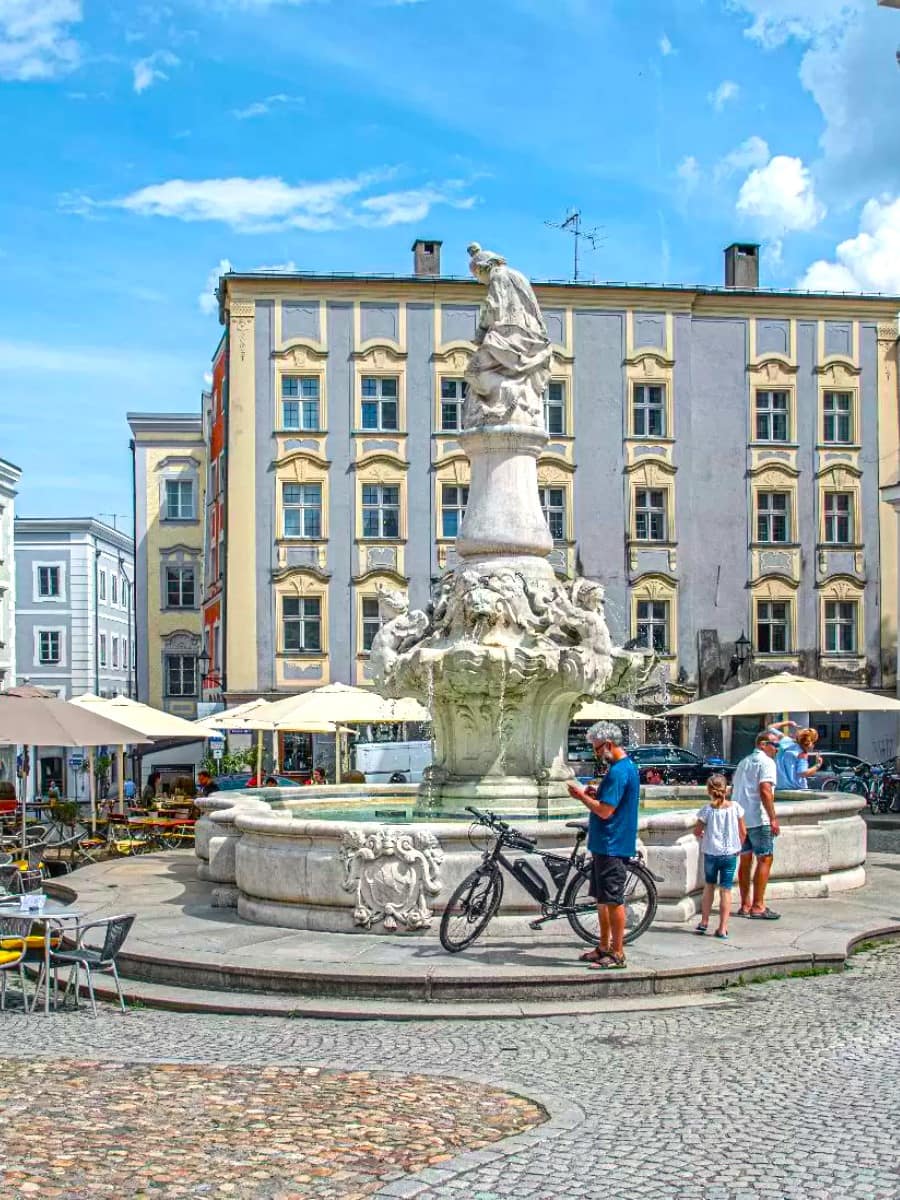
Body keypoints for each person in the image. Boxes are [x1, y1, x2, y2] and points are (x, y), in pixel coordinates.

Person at [566, 721, 641, 970]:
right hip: (604, 844)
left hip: (613, 844)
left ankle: (617, 953)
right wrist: (596, 792)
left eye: (597, 749)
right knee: (601, 899)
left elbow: (606, 811)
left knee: (613, 900)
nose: (596, 754)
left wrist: (582, 797)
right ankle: (603, 946)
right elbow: (610, 799)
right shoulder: (620, 769)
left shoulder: (620, 770)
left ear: (608, 745)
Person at [733, 731, 781, 920]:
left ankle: (745, 905)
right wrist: (773, 818)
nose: (777, 749)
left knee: (745, 861)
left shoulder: (743, 762)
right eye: (774, 745)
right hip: (759, 818)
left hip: (741, 819)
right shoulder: (767, 762)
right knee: (765, 858)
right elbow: (765, 789)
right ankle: (758, 906)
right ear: (762, 744)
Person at [693, 774, 747, 939]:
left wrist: (704, 836)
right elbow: (743, 832)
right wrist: (738, 846)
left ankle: (704, 921)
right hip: (730, 853)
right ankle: (723, 928)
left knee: (709, 886)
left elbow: (697, 831)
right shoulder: (736, 807)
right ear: (726, 790)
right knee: (726, 890)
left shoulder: (707, 810)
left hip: (711, 852)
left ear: (709, 790)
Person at [767, 721, 823, 790]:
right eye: (814, 743)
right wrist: (817, 765)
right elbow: (803, 773)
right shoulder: (802, 754)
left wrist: (788, 723)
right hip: (796, 789)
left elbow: (770, 728)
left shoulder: (785, 740)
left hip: (779, 787)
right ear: (810, 743)